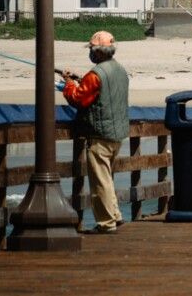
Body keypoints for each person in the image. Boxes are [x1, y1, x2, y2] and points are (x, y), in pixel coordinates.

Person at [60, 30, 129, 234]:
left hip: (100, 135)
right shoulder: (120, 70)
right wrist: (80, 79)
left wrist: (69, 83)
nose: (90, 52)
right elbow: (103, 92)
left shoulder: (95, 74)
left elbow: (78, 99)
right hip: (117, 133)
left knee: (100, 182)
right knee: (106, 178)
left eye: (91, 49)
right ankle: (115, 216)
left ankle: (106, 223)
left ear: (98, 52)